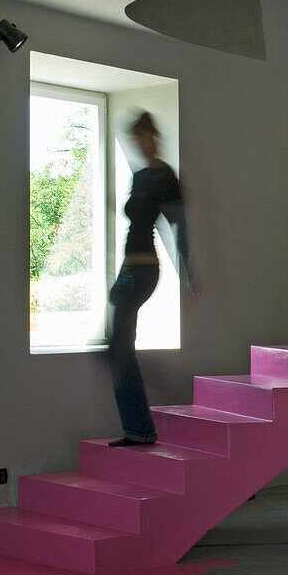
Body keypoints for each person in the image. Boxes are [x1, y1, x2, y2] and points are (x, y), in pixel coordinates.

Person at [108, 111, 202, 446]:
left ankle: (141, 428)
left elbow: (180, 228)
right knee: (116, 348)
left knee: (118, 349)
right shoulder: (140, 176)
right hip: (127, 270)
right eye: (134, 138)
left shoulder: (165, 177)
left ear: (153, 136)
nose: (138, 143)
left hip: (146, 270)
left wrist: (190, 277)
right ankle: (139, 425)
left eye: (141, 136)